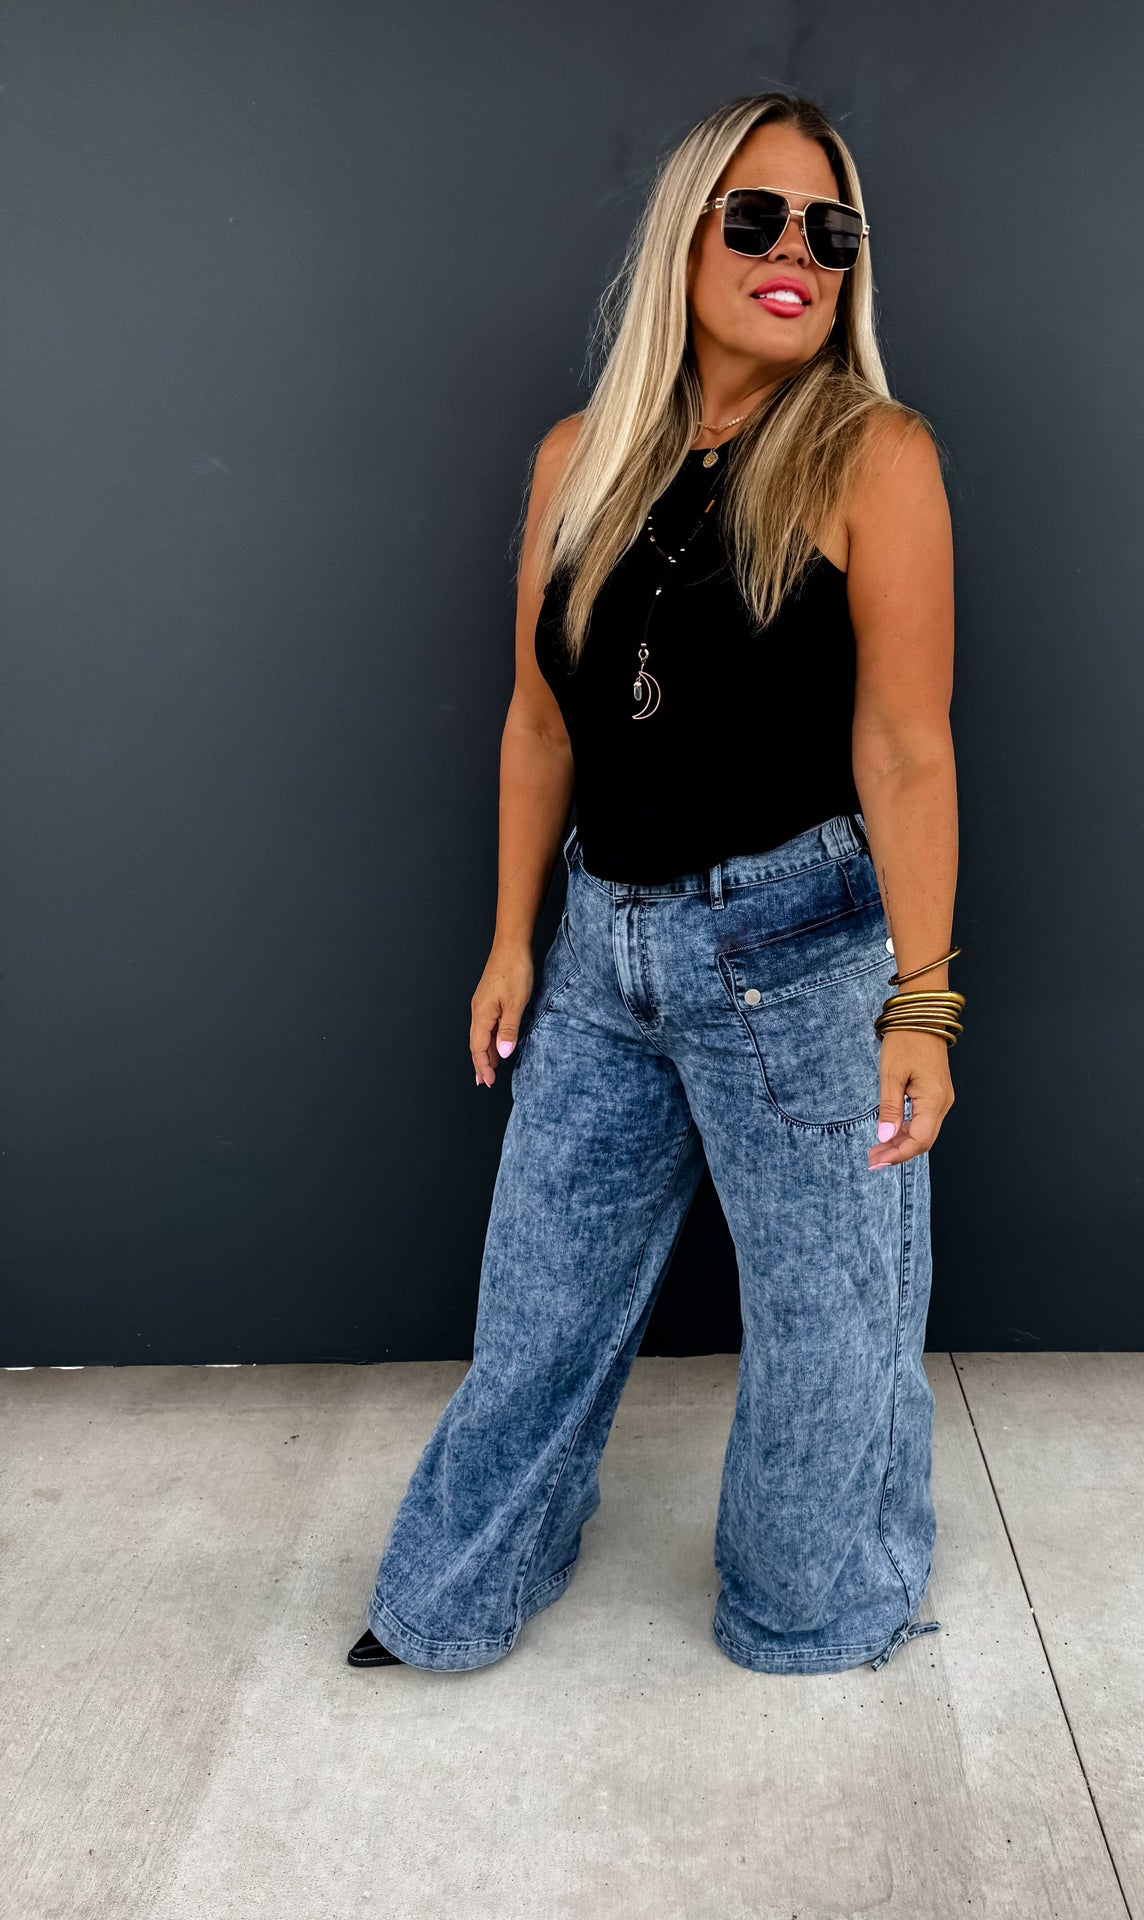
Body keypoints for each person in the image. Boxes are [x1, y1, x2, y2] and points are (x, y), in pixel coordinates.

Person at [348, 88, 959, 1677]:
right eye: (754, 219)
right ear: (685, 233)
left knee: (833, 1336)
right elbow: (538, 720)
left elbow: (904, 748)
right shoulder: (578, 459)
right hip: (601, 948)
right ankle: (451, 1600)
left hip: (803, 947)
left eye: (829, 234)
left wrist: (926, 1001)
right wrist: (507, 939)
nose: (795, 256)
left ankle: (812, 1611)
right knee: (540, 1310)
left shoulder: (872, 457)